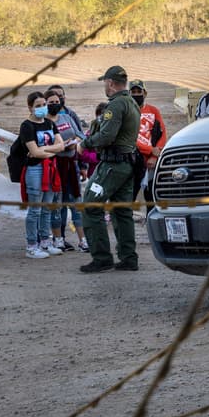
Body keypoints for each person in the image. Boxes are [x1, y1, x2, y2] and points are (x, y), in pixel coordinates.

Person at [77, 65, 141, 273]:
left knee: (91, 206)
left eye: (105, 82)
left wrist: (85, 144)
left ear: (111, 83)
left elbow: (106, 136)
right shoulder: (132, 103)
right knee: (121, 211)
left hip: (112, 165)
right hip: (127, 164)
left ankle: (102, 257)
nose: (105, 86)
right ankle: (128, 257)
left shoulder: (115, 105)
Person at [19, 91, 68, 260]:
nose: (42, 108)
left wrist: (44, 151)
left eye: (43, 105)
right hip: (34, 170)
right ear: (30, 108)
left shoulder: (48, 123)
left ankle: (45, 242)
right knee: (35, 210)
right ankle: (32, 245)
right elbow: (33, 151)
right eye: (38, 106)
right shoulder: (27, 126)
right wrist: (50, 151)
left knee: (47, 207)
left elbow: (61, 145)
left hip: (50, 169)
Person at [46, 91, 87, 251]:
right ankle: (59, 239)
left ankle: (83, 240)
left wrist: (74, 143)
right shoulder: (44, 123)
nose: (55, 103)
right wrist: (62, 146)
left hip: (72, 165)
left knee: (76, 202)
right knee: (58, 204)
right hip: (55, 167)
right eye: (51, 102)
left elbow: (80, 135)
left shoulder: (67, 118)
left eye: (57, 101)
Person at [130, 79, 166, 212]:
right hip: (133, 161)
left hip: (151, 162)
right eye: (133, 92)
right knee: (130, 197)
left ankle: (151, 225)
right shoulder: (127, 112)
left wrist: (155, 156)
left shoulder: (153, 110)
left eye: (139, 91)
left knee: (151, 198)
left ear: (145, 93)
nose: (136, 94)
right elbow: (129, 139)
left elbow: (163, 133)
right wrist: (151, 150)